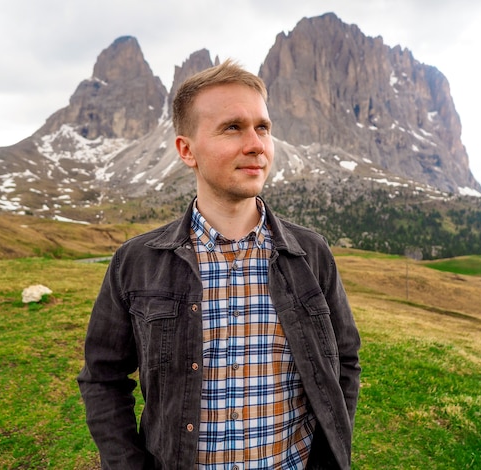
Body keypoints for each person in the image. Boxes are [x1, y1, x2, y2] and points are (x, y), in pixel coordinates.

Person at [77, 59, 362, 469]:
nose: (256, 144)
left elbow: (345, 362)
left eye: (262, 127)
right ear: (186, 150)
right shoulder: (136, 262)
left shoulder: (310, 254)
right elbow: (102, 378)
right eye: (233, 127)